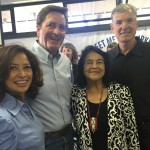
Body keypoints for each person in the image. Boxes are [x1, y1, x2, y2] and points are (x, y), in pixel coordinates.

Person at [71, 45, 140, 150]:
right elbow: (74, 133)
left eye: (99, 62)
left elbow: (131, 132)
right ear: (82, 67)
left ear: (105, 66)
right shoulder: (75, 94)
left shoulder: (121, 91)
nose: (94, 66)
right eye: (89, 62)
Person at [27, 5, 74, 150]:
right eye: (51, 25)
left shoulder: (66, 62)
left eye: (62, 27)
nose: (57, 31)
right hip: (43, 142)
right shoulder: (25, 62)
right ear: (38, 29)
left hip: (69, 136)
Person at [107, 3, 150, 150]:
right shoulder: (105, 60)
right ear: (112, 27)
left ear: (136, 24)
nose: (124, 26)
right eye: (119, 22)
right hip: (118, 132)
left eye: (129, 20)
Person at [0, 44, 44, 150]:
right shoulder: (4, 120)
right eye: (13, 68)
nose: (23, 74)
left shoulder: (22, 104)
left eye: (27, 67)